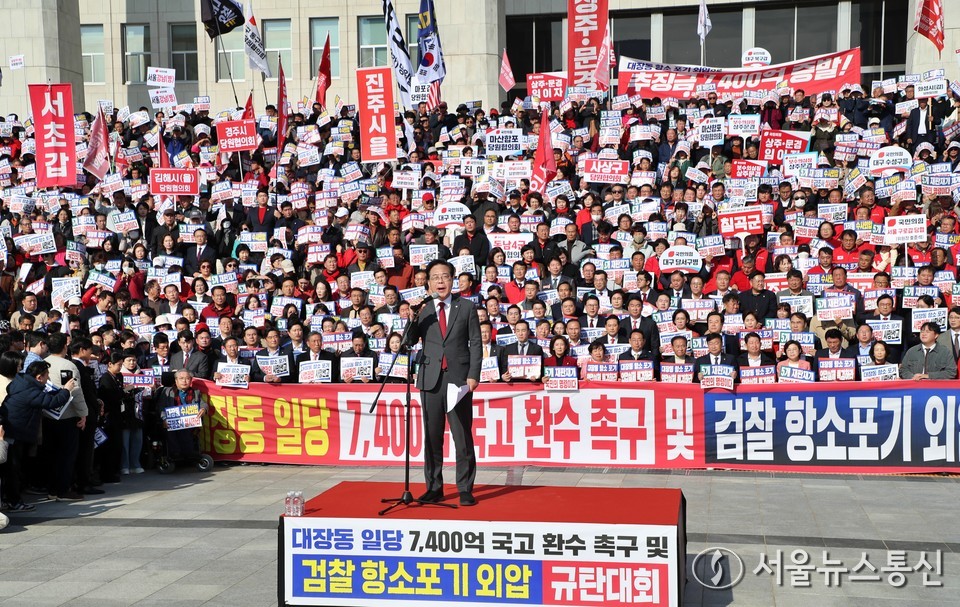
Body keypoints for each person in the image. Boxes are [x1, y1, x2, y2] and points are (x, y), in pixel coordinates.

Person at [408, 260, 481, 507]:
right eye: (435, 277)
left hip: (458, 380)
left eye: (445, 277)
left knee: (462, 437)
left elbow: (476, 342)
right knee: (432, 436)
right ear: (428, 283)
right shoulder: (425, 309)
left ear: (453, 280)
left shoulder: (467, 307)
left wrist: (473, 375)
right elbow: (409, 341)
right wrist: (411, 318)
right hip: (430, 380)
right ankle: (434, 487)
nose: (440, 281)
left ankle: (465, 487)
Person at [2, 360, 75, 509]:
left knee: (11, 469)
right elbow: (52, 402)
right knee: (13, 470)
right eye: (47, 375)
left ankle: (10, 499)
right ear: (39, 377)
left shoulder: (21, 383)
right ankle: (13, 502)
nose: (48, 379)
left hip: (13, 430)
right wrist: (66, 390)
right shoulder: (30, 391)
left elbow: (46, 397)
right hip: (15, 433)